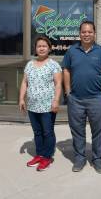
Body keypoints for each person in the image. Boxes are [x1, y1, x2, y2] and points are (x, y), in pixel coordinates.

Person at [62, 20, 101, 174]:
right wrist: (68, 92)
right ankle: (79, 158)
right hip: (76, 99)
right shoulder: (72, 51)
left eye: (89, 32)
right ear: (80, 34)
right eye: (84, 32)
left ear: (94, 33)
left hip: (96, 98)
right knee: (77, 130)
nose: (86, 34)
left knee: (98, 130)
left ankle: (97, 159)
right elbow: (66, 70)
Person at [19, 36, 62, 171]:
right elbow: (24, 82)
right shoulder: (30, 64)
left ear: (49, 48)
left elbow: (58, 84)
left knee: (47, 132)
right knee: (37, 132)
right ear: (36, 49)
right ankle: (40, 154)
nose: (41, 48)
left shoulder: (53, 65)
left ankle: (47, 157)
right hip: (32, 106)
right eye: (39, 46)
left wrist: (56, 100)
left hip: (47, 106)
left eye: (44, 46)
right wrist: (21, 99)